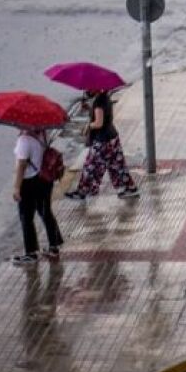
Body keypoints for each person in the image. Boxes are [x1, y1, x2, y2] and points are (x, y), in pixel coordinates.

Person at [65, 89, 139, 201]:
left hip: (102, 141)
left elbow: (99, 123)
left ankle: (83, 191)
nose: (86, 90)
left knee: (90, 166)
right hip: (112, 138)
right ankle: (130, 188)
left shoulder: (99, 102)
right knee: (117, 166)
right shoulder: (105, 98)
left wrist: (88, 126)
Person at [12, 129, 64, 265]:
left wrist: (17, 187)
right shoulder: (43, 132)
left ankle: (30, 253)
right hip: (45, 178)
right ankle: (54, 245)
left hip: (29, 181)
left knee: (26, 217)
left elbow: (21, 165)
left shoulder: (24, 140)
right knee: (45, 211)